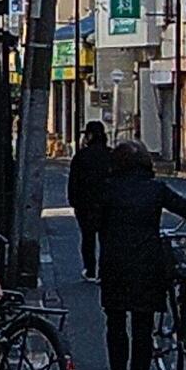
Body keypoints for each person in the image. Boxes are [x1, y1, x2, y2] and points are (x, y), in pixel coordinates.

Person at [95, 135, 186, 370]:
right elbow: (184, 207)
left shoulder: (107, 189)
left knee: (115, 320)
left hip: (114, 261)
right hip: (148, 261)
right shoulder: (155, 189)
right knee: (143, 322)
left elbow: (95, 222)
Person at [65, 119, 111, 279]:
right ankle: (105, 271)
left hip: (86, 204)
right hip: (108, 204)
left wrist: (74, 201)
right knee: (106, 239)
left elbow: (74, 182)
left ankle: (90, 270)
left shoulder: (81, 156)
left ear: (90, 136)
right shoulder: (111, 155)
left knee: (88, 238)